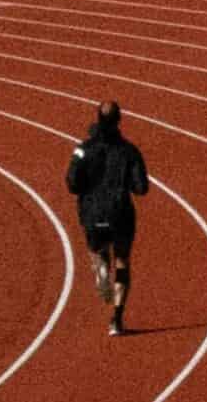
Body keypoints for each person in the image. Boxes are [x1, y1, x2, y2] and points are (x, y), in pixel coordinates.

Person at [65, 100, 151, 335]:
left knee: (97, 249)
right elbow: (141, 188)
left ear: (98, 119)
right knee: (122, 261)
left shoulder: (82, 149)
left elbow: (71, 183)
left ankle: (100, 266)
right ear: (119, 120)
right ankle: (116, 320)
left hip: (91, 212)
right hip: (120, 212)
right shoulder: (130, 151)